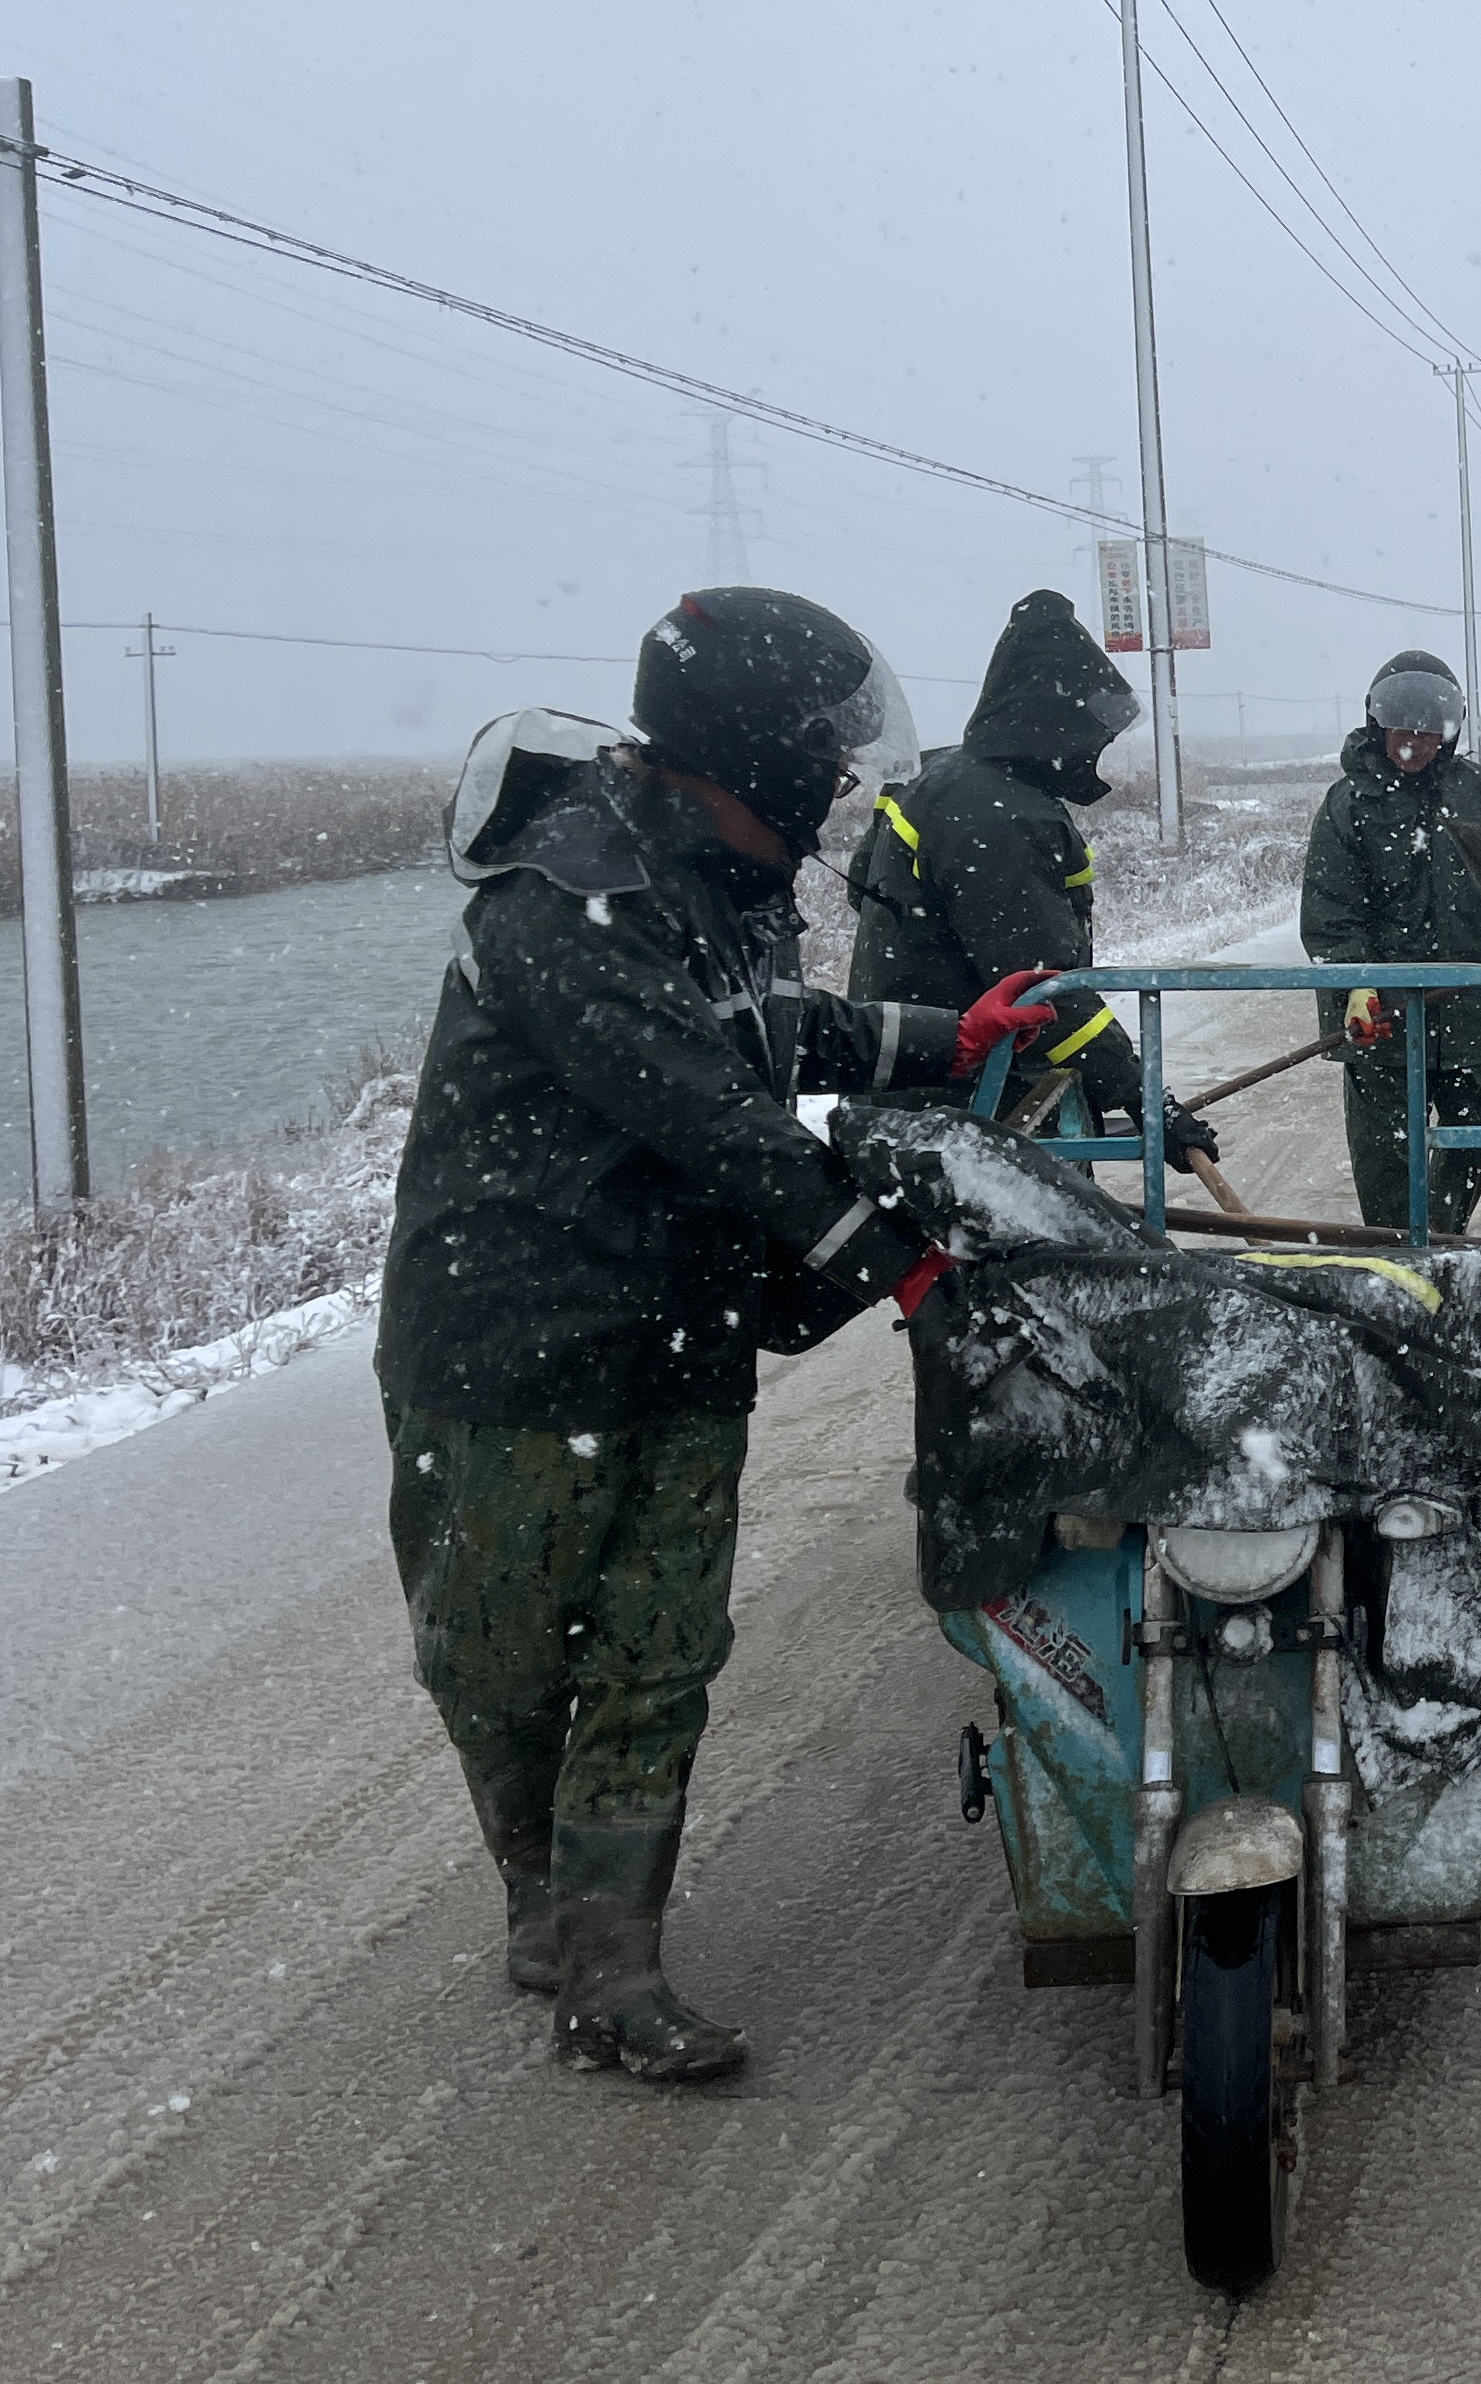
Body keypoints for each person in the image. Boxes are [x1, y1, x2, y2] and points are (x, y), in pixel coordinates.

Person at [378, 587, 1058, 2082]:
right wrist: (899, 1265)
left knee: (659, 1647)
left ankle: (611, 1967)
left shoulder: (718, 880)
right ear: (758, 753)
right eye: (827, 750)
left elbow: (767, 1026)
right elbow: (712, 1111)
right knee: (500, 1658)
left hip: (678, 1326)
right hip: (510, 1346)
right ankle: (541, 1894)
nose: (843, 775)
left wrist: (945, 1037)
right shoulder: (565, 897)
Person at [846, 585, 1218, 1178]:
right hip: (975, 1114)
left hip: (908, 1084)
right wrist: (1146, 1099)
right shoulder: (1000, 818)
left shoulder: (941, 775)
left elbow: (863, 889)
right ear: (1055, 724)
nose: (1098, 747)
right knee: (1040, 1233)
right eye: (1094, 732)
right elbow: (1043, 989)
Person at [1298, 651, 1481, 1235]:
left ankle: (1436, 1241)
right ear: (1378, 725)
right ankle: (1402, 1254)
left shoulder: (1477, 790)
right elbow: (1330, 913)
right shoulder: (1348, 806)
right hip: (1383, 1015)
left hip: (1469, 1007)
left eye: (1430, 734)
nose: (1416, 745)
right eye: (1404, 732)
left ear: (1450, 732)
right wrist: (1354, 982)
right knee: (1389, 1156)